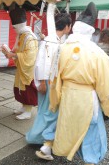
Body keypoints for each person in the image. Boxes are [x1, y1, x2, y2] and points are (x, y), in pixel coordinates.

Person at [49, 2, 109, 165]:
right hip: (87, 96)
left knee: (69, 124)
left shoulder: (62, 48)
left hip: (67, 94)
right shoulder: (96, 52)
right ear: (90, 30)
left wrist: (55, 98)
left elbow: (54, 76)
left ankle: (72, 152)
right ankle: (90, 159)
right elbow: (107, 79)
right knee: (91, 129)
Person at [26, 12, 72, 161]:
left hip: (51, 81)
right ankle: (37, 138)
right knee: (48, 112)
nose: (69, 29)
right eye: (69, 26)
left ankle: (43, 138)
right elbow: (41, 62)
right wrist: (41, 82)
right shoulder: (51, 42)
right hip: (48, 82)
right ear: (65, 27)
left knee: (48, 111)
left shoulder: (55, 41)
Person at [4, 7, 38, 120]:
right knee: (19, 88)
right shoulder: (22, 35)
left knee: (27, 89)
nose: (14, 29)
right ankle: (24, 107)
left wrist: (14, 55)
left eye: (14, 27)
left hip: (28, 69)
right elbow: (18, 48)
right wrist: (11, 52)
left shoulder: (29, 37)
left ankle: (28, 111)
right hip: (22, 68)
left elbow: (30, 56)